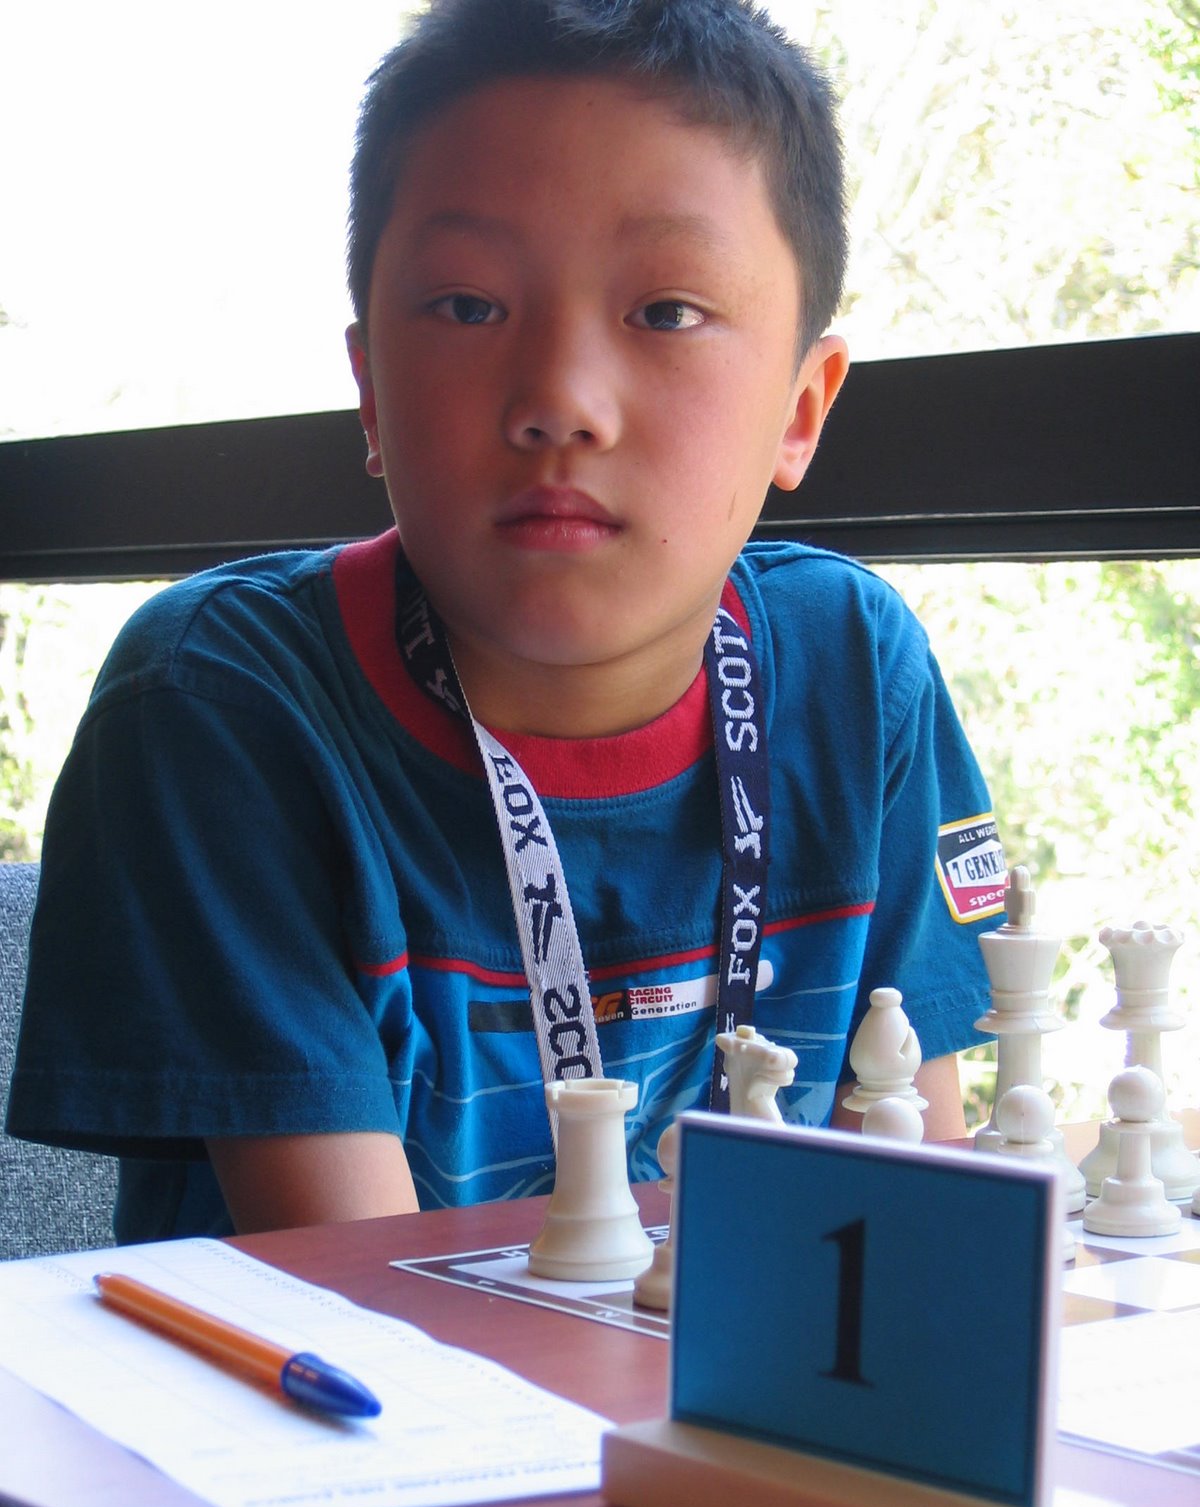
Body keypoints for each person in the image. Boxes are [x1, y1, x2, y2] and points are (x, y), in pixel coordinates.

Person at [6, 0, 1006, 1245]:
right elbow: (369, 1306)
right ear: (371, 394)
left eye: (667, 312)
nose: (561, 401)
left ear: (801, 410)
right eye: (470, 306)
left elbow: (912, 1226)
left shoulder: (855, 672)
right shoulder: (219, 703)